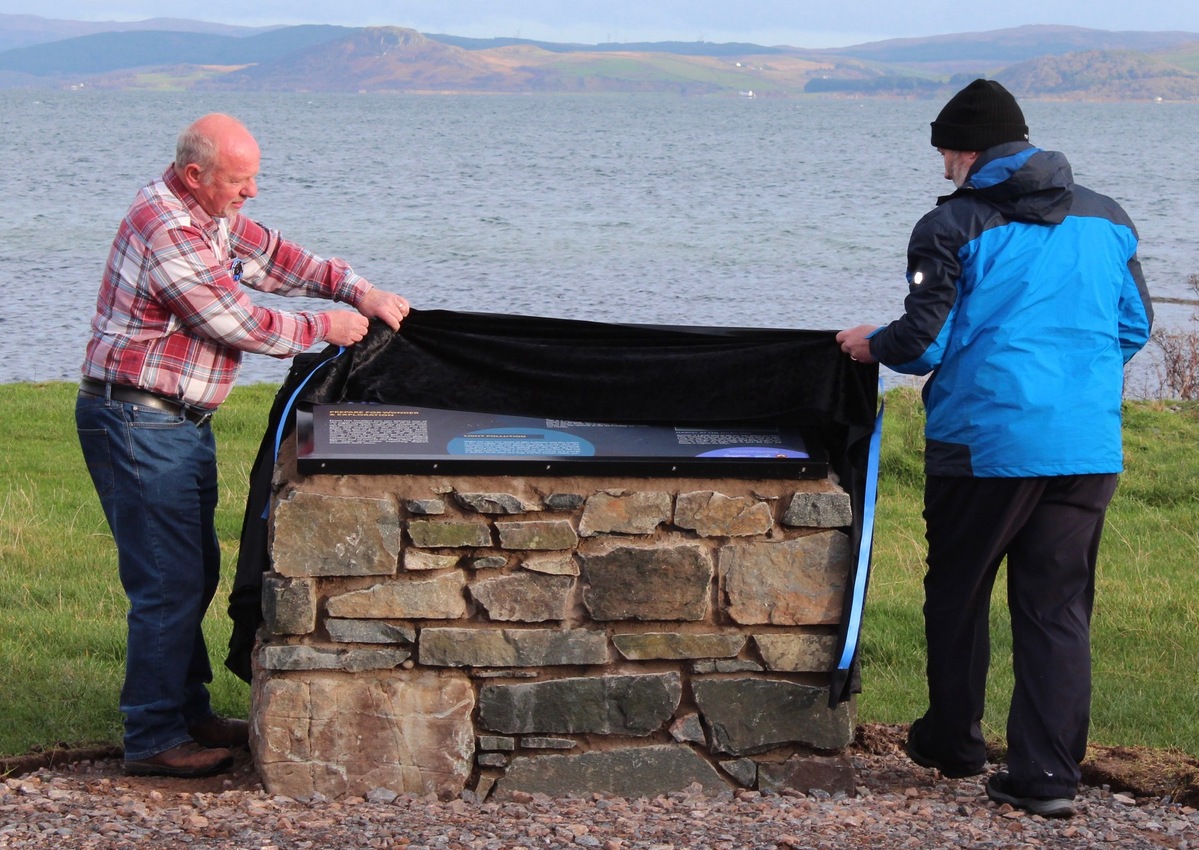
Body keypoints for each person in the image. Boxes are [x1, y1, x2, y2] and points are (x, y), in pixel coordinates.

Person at [836, 79, 1152, 818]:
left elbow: (921, 343)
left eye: (944, 150)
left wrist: (866, 344)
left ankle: (954, 744)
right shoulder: (1107, 217)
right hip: (1084, 445)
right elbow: (1131, 326)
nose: (943, 164)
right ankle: (1045, 779)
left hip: (984, 445)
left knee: (958, 592)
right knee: (1056, 609)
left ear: (964, 150)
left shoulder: (951, 226)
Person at [76, 113, 410, 778]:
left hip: (174, 422)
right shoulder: (166, 226)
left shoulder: (209, 213)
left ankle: (185, 712)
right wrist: (329, 324)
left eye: (254, 177)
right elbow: (234, 319)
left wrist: (360, 289)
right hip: (139, 422)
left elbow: (280, 258)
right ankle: (152, 737)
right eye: (240, 179)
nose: (251, 191)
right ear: (196, 174)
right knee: (166, 585)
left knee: (191, 574)